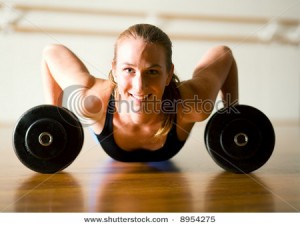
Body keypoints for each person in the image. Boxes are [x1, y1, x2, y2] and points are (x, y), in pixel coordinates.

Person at [41, 23, 238, 162]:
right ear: (115, 70)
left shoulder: (193, 104)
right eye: (129, 70)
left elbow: (224, 53)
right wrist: (53, 118)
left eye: (152, 72)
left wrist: (232, 116)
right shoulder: (92, 102)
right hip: (103, 121)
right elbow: (51, 51)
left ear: (169, 74)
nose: (139, 86)